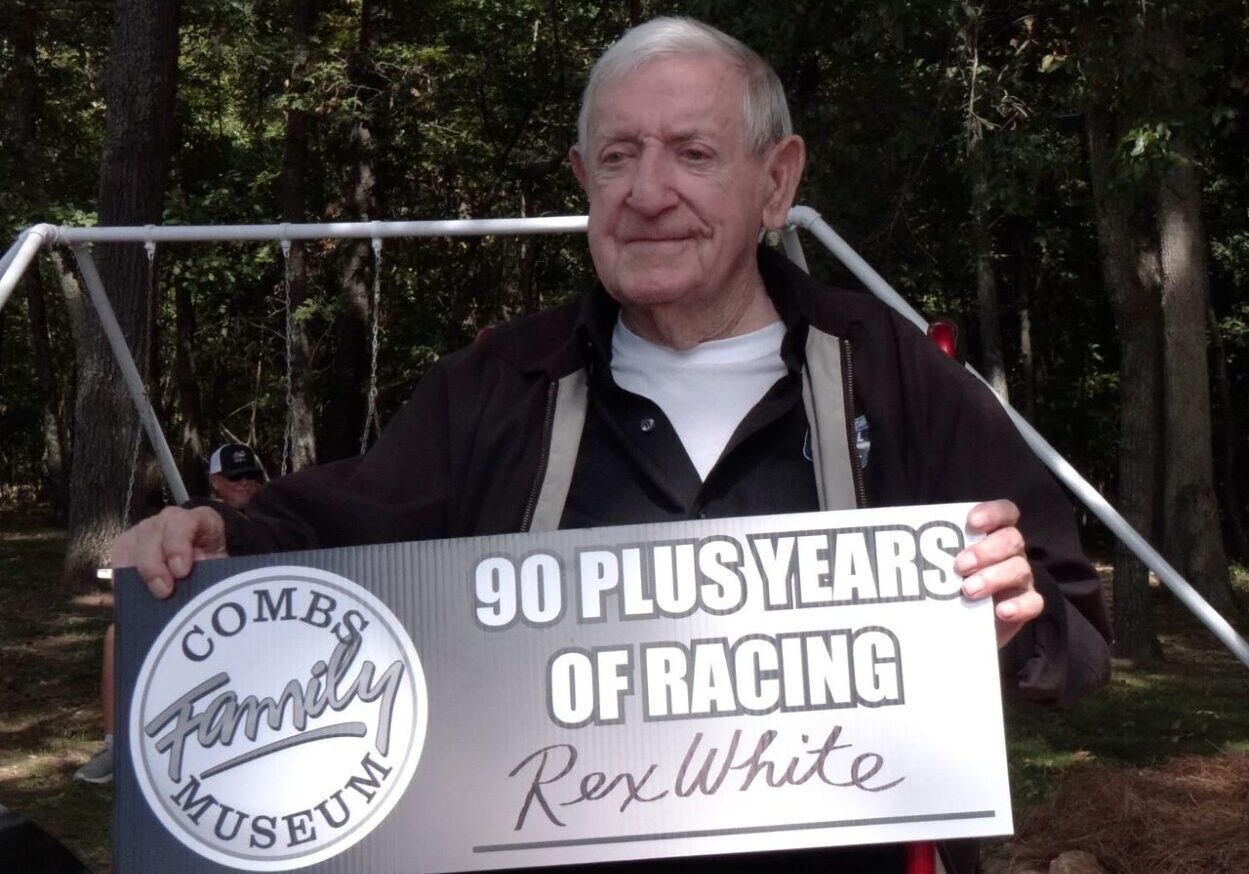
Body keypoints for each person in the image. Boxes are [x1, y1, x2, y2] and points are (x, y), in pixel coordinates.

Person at [112, 18, 1111, 872]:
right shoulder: (500, 385)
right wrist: (204, 542)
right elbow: (329, 536)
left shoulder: (888, 375)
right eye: (621, 157)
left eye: (693, 152)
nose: (647, 192)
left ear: (777, 181)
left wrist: (1011, 626)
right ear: (585, 180)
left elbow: (1072, 630)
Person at [74, 442, 265, 784]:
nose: (245, 482)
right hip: (209, 625)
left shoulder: (281, 515)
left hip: (267, 628)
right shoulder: (193, 517)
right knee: (119, 634)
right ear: (216, 481)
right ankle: (117, 746)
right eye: (236, 476)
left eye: (252, 475)